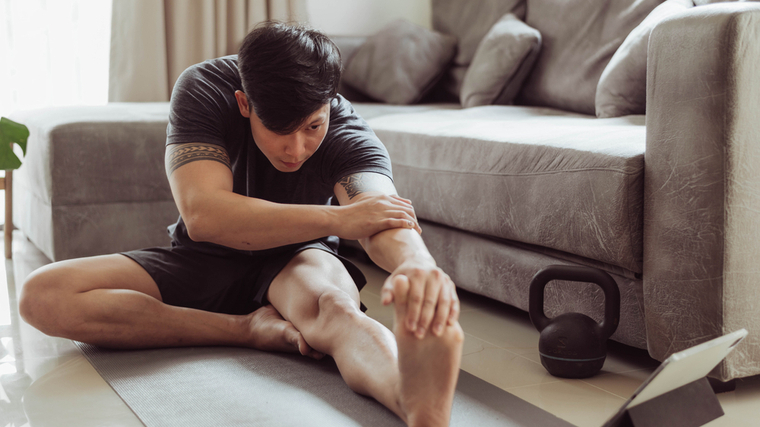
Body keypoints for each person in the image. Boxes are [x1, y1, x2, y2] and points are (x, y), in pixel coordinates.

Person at [18, 22, 463, 426]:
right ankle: (246, 329)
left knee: (335, 310)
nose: (296, 148)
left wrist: (418, 268)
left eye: (312, 127)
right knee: (43, 296)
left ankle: (414, 402)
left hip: (296, 258)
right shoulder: (205, 87)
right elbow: (204, 216)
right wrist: (338, 218)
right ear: (245, 104)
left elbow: (381, 213)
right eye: (279, 129)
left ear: (328, 105)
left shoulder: (347, 130)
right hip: (203, 256)